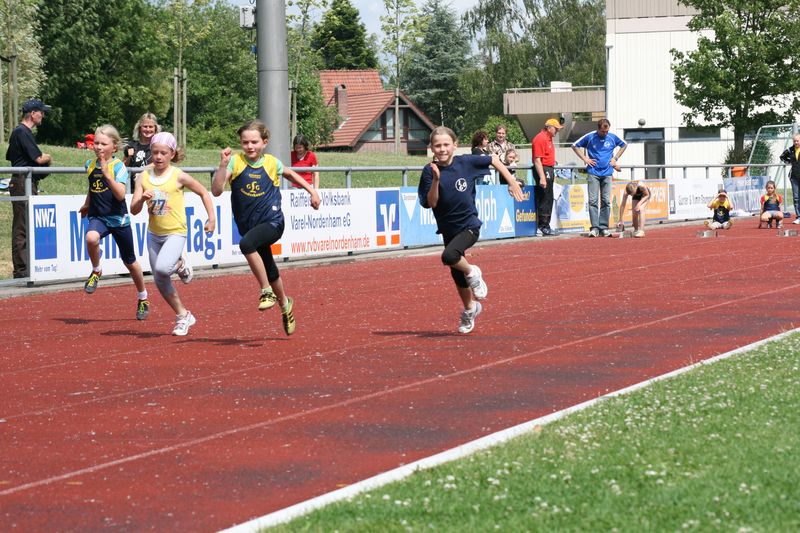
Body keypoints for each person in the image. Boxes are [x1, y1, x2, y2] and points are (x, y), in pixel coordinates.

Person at [211, 120, 321, 336]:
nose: (249, 146)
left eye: (254, 142)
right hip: (249, 226)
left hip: (273, 222)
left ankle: (266, 291)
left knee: (246, 244)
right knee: (269, 268)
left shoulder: (271, 163)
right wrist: (223, 165)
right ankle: (285, 305)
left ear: (264, 142)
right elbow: (216, 191)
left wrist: (312, 191)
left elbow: (291, 174)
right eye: (245, 142)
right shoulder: (235, 162)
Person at [417, 126, 524, 334]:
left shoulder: (465, 162)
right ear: (431, 148)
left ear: (455, 145)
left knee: (449, 256)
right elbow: (432, 203)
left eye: (446, 144)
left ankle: (474, 272)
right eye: (437, 146)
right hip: (447, 229)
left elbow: (493, 159)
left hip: (469, 225)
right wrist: (436, 180)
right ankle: (470, 308)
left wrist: (511, 181)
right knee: (456, 272)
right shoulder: (429, 171)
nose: (442, 149)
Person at [130, 132, 216, 336]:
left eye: (163, 153)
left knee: (162, 268)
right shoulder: (143, 177)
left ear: (172, 154)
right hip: (154, 234)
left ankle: (180, 264)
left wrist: (211, 218)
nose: (158, 157)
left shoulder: (178, 175)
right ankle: (183, 315)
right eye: (155, 153)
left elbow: (203, 192)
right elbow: (133, 209)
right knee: (160, 278)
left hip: (176, 232)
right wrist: (142, 199)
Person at [79, 124, 150, 320]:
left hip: (118, 219)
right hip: (98, 216)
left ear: (114, 146)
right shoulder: (89, 165)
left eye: (103, 144)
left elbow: (120, 195)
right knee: (91, 238)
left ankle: (143, 297)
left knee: (130, 262)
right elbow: (92, 187)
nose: (98, 147)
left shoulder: (119, 167)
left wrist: (107, 174)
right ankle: (96, 270)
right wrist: (87, 204)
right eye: (96, 143)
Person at [5, 98, 53, 279]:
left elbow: (11, 155)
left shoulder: (20, 132)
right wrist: (48, 157)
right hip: (21, 183)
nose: (43, 115)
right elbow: (39, 158)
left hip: (23, 182)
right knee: (22, 227)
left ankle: (25, 269)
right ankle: (21, 271)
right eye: (41, 112)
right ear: (32, 114)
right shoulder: (22, 132)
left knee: (24, 225)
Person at [572, 118, 627, 237]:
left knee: (606, 201)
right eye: (603, 131)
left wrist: (615, 159)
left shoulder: (612, 137)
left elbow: (624, 145)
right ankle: (594, 228)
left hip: (607, 173)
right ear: (598, 129)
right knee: (593, 201)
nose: (605, 133)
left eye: (607, 131)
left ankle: (604, 227)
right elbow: (574, 145)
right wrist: (585, 159)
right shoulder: (590, 137)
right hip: (593, 173)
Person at [532, 118, 562, 236]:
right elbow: (537, 160)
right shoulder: (540, 138)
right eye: (556, 129)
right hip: (544, 169)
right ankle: (542, 226)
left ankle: (545, 225)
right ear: (549, 128)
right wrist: (542, 177)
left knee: (548, 197)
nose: (557, 131)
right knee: (545, 197)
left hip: (548, 168)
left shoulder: (548, 138)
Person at [123, 112, 160, 188]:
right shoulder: (131, 145)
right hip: (133, 188)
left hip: (153, 187)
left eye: (151, 127)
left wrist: (141, 171)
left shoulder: (159, 145)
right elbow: (123, 166)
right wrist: (129, 157)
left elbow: (158, 163)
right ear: (139, 128)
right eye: (145, 126)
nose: (148, 129)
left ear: (155, 128)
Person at [778, 133, 800, 224]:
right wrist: (789, 162)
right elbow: (782, 157)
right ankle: (799, 216)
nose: (796, 142)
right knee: (796, 197)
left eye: (797, 141)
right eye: (794, 141)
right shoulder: (790, 150)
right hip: (794, 176)